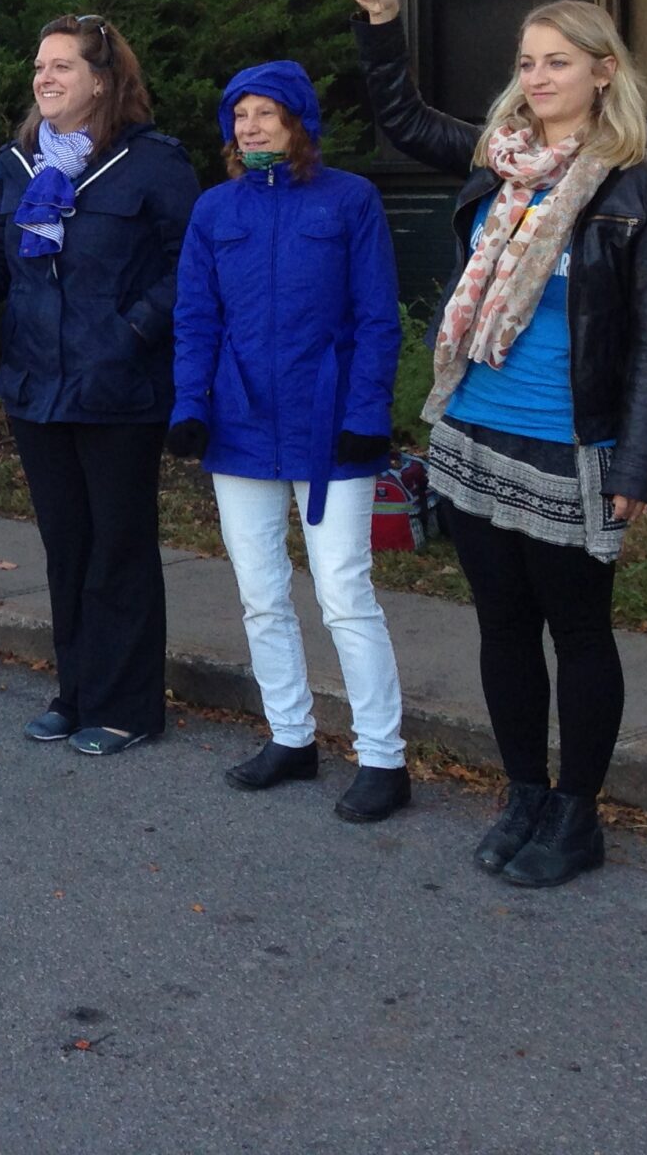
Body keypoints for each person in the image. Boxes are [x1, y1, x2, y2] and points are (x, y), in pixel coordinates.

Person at [354, 0, 647, 888]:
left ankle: (578, 814)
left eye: (558, 61)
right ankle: (525, 794)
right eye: (528, 62)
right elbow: (403, 119)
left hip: (571, 443)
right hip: (471, 429)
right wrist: (382, 26)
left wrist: (638, 464)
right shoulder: (500, 161)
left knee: (577, 631)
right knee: (501, 626)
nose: (537, 77)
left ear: (604, 72)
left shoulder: (638, 190)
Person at [0, 14, 200, 756]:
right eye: (39, 66)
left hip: (119, 386)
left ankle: (128, 707)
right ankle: (76, 692)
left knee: (120, 546)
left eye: (62, 66)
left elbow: (192, 263)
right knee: (67, 546)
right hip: (36, 384)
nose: (44, 78)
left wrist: (133, 330)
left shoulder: (152, 162)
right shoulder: (18, 163)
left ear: (103, 81)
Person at [169, 61, 410, 820]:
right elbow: (195, 317)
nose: (250, 126)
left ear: (298, 122)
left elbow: (378, 318)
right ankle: (290, 737)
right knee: (261, 594)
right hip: (240, 425)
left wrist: (367, 413)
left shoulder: (350, 199)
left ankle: (383, 757)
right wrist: (191, 403)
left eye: (266, 113)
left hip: (330, 425)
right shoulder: (215, 209)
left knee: (343, 592)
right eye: (239, 115)